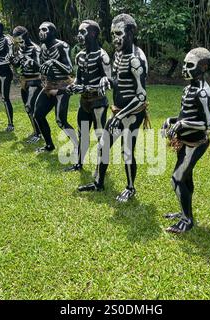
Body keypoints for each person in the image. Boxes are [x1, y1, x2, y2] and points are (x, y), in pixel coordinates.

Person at [78, 14, 149, 203]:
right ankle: (98, 183)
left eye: (119, 33)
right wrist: (107, 79)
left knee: (127, 151)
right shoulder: (118, 55)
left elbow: (141, 97)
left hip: (133, 113)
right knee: (103, 145)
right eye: (112, 34)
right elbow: (119, 81)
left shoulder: (136, 59)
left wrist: (122, 115)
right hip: (119, 111)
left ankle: (130, 188)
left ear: (131, 33)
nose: (115, 38)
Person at [161, 48, 210, 233]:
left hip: (195, 144)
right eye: (184, 64)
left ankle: (186, 219)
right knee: (185, 177)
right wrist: (172, 121)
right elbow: (186, 115)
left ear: (203, 67)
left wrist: (182, 124)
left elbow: (207, 125)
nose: (184, 68)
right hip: (184, 142)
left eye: (189, 65)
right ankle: (185, 211)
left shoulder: (202, 93)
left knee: (177, 178)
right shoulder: (188, 88)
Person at [65, 20, 111, 173]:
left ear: (93, 34)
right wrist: (73, 86)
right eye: (79, 32)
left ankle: (101, 169)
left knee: (100, 136)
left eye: (83, 32)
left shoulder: (103, 56)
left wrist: (84, 87)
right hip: (84, 102)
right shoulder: (79, 56)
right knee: (82, 133)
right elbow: (79, 78)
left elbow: (107, 83)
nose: (79, 36)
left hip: (98, 103)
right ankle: (79, 163)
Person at [33, 22, 77, 153]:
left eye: (44, 29)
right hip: (49, 85)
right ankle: (49, 145)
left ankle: (77, 145)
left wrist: (54, 62)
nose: (41, 32)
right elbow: (43, 68)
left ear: (52, 32)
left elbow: (69, 69)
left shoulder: (62, 46)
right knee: (38, 115)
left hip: (63, 87)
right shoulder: (43, 47)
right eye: (39, 29)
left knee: (60, 120)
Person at [11, 26, 42, 143]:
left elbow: (40, 66)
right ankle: (36, 131)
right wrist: (14, 61)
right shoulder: (19, 49)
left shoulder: (35, 49)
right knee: (27, 108)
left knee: (31, 106)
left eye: (21, 41)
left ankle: (39, 134)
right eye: (17, 41)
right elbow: (18, 65)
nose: (20, 44)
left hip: (35, 81)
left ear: (26, 36)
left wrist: (30, 60)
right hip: (24, 80)